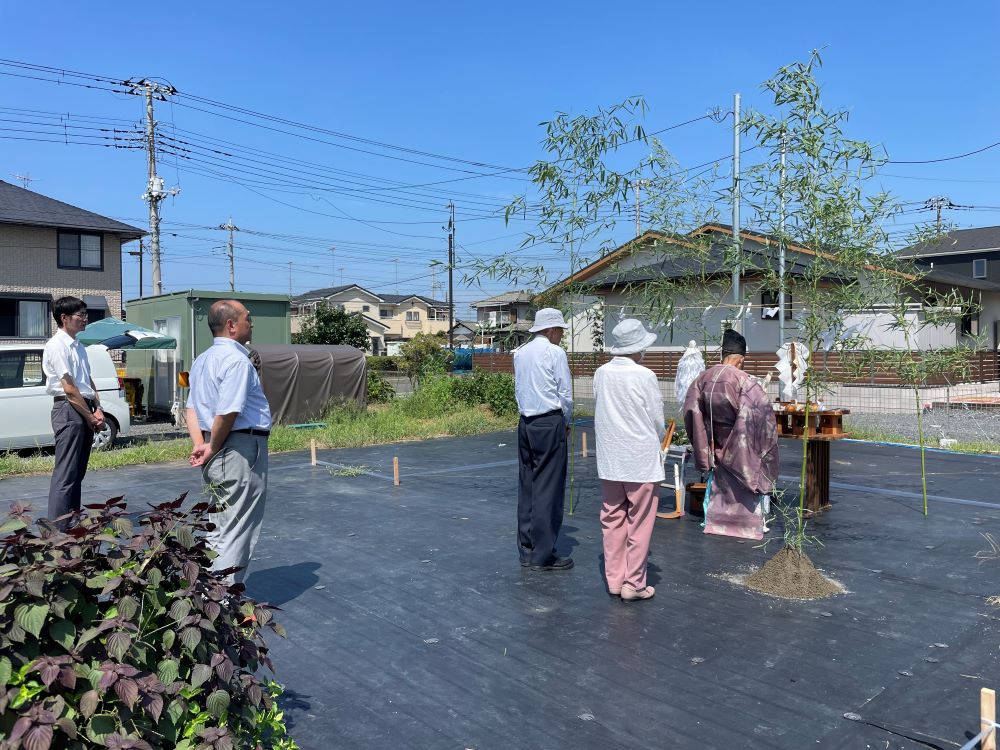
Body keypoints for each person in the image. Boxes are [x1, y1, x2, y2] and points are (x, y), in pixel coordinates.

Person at [185, 300, 272, 583]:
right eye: (248, 318)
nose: (252, 323)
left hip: (216, 445)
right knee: (237, 527)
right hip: (238, 449)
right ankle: (223, 604)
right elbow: (228, 411)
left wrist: (202, 444)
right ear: (232, 326)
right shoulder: (237, 361)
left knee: (219, 525)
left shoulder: (201, 360)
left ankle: (208, 593)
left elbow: (191, 409)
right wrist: (212, 446)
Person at [683, 329, 778, 540]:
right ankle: (746, 524)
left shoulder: (702, 379)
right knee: (746, 481)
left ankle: (714, 521)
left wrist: (704, 444)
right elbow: (760, 418)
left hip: (712, 442)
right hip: (738, 444)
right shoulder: (744, 381)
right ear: (741, 360)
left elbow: (691, 412)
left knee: (717, 484)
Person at [594, 319, 665, 601]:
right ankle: (633, 583)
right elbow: (657, 420)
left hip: (610, 457)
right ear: (640, 347)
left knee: (611, 518)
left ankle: (614, 580)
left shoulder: (601, 373)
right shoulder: (644, 375)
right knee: (640, 521)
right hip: (640, 458)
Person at [513, 307, 574, 572]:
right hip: (549, 421)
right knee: (549, 487)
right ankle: (543, 554)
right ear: (550, 330)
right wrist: (566, 421)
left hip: (526, 422)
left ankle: (526, 548)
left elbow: (519, 389)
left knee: (528, 483)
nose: (561, 335)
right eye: (560, 330)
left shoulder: (521, 353)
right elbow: (565, 393)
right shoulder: (555, 352)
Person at [43, 296, 105, 522]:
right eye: (81, 315)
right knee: (65, 474)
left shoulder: (78, 346)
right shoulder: (57, 346)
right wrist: (89, 416)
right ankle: (58, 533)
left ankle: (73, 524)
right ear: (64, 318)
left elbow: (87, 380)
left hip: (83, 405)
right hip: (69, 409)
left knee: (77, 473)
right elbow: (69, 389)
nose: (85, 319)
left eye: (85, 314)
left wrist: (98, 408)